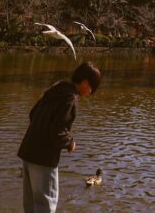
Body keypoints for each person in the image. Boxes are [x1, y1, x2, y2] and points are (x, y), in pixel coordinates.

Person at [18, 61, 101, 213]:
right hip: (44, 157)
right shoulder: (70, 97)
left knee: (30, 204)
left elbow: (32, 114)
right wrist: (70, 143)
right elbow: (58, 131)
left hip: (28, 151)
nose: (90, 93)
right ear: (84, 82)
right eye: (91, 88)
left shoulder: (55, 89)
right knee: (46, 203)